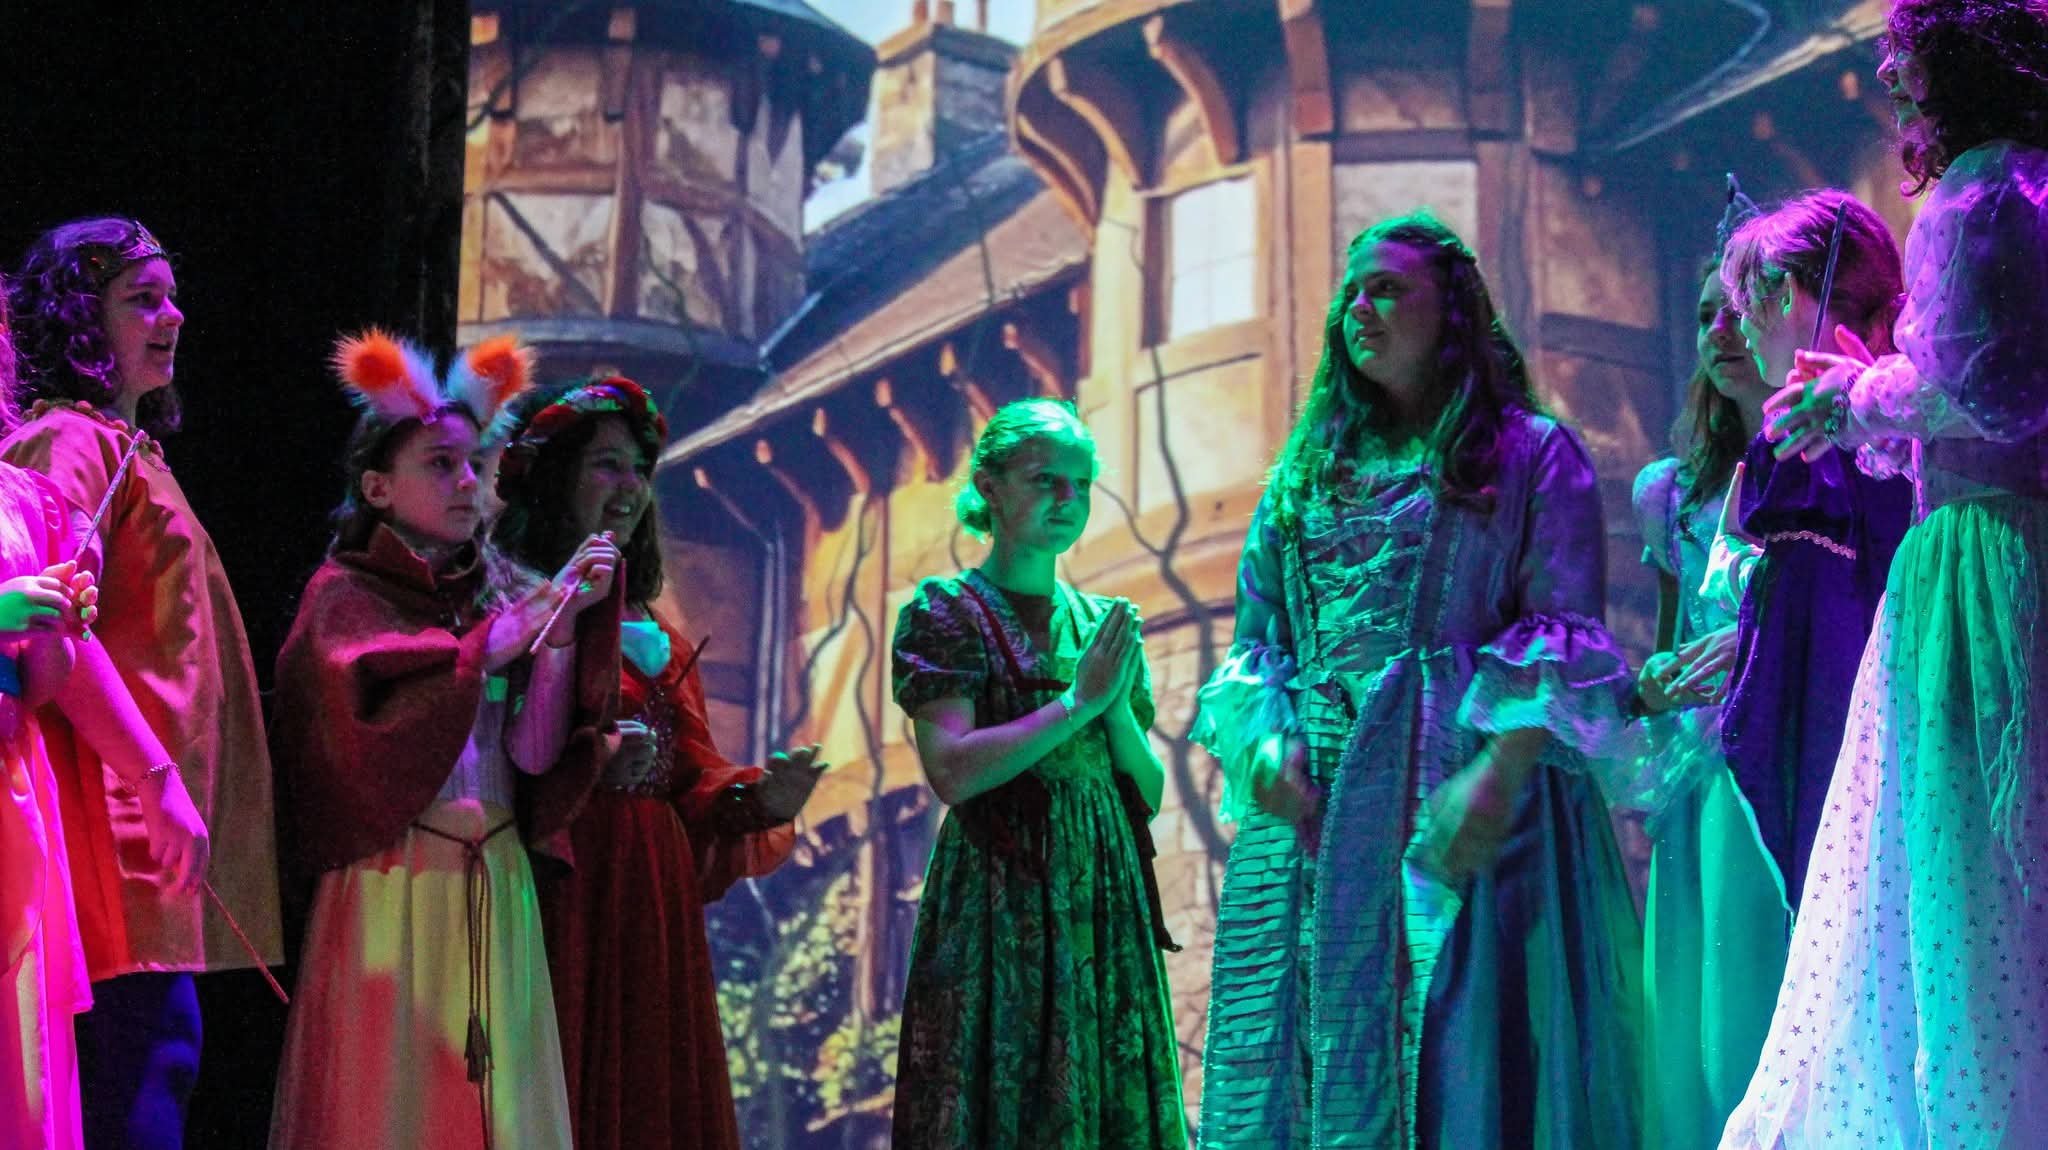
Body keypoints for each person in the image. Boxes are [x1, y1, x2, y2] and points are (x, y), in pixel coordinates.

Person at [1191, 211, 1640, 1148]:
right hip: (1319, 823)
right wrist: (1266, 741)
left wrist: (1498, 776)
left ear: (1453, 314)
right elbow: (1260, 646)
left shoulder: (1529, 454)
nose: (1361, 308)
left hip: (1467, 803)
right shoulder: (1301, 480)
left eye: (1389, 289)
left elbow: (1560, 633)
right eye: (1352, 293)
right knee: (1313, 1069)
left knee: (1464, 1072)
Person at [1720, 3, 2048, 1144]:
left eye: (1905, 56)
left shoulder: (1983, 193)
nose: (1890, 76)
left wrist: (1851, 395)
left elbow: (1991, 391)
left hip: (1982, 562)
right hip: (1999, 535)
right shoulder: (2019, 188)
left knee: (1966, 890)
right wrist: (1870, 397)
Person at [266, 331, 621, 1150]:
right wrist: (487, 650)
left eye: (473, 464)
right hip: (392, 884)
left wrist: (560, 635)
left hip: (495, 877)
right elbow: (342, 749)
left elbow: (532, 758)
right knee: (387, 1109)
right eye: (440, 464)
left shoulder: (502, 595)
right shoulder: (344, 599)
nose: (467, 482)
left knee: (497, 1113)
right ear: (378, 487)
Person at [490, 376, 826, 1150]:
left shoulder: (660, 635)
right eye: (606, 465)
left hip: (652, 887)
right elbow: (494, 750)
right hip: (564, 879)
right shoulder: (514, 608)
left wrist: (761, 798)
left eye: (640, 470)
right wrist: (589, 766)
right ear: (555, 478)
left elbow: (691, 778)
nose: (630, 487)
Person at [2, 217, 281, 1149]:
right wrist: (155, 781)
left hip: (151, 815)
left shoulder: (130, 449)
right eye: (142, 300)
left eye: (172, 296)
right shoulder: (68, 442)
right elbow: (52, 626)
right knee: (139, 1074)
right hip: (111, 817)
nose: (173, 316)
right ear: (82, 320)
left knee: (162, 1061)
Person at [888, 397, 1186, 1149]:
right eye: (1044, 479)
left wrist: (1111, 709)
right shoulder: (949, 611)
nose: (1066, 499)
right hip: (1004, 889)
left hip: (1102, 890)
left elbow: (1146, 793)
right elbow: (952, 770)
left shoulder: (1100, 620)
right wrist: (1078, 703)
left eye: (1079, 484)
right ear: (990, 486)